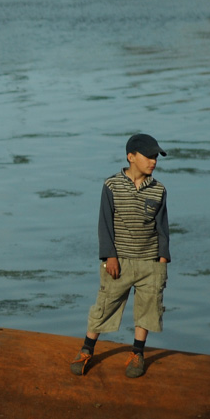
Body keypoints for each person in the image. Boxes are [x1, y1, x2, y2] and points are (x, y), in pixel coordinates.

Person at [70, 133, 170, 379]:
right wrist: (109, 256)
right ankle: (86, 350)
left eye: (156, 157)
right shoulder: (111, 185)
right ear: (131, 157)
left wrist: (162, 260)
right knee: (104, 305)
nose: (153, 161)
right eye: (149, 156)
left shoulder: (159, 190)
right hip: (119, 262)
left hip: (150, 262)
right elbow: (104, 225)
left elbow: (163, 228)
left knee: (148, 308)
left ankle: (137, 354)